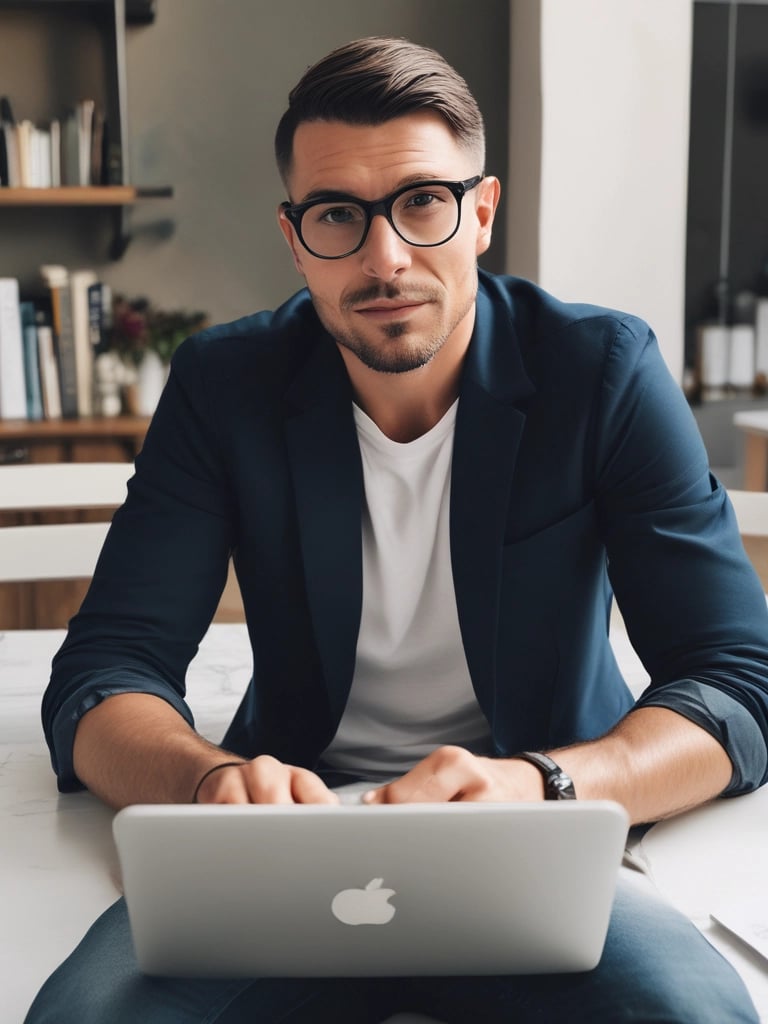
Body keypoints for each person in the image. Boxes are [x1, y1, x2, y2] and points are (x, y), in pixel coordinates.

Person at [26, 35, 768, 1024]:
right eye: (339, 215)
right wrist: (206, 782)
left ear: (483, 213)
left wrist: (549, 786)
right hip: (285, 842)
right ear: (295, 239)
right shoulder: (225, 386)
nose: (385, 258)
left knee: (698, 1015)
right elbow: (100, 677)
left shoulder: (602, 372)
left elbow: (738, 679)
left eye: (423, 201)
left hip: (532, 831)